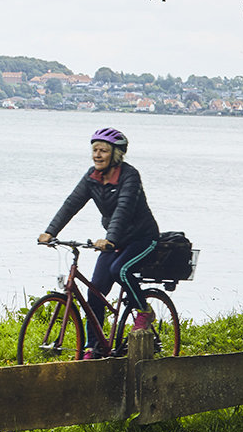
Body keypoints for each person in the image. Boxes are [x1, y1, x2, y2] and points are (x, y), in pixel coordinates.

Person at [37, 127, 161, 359]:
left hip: (143, 238)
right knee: (94, 291)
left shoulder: (129, 176)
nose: (97, 155)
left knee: (120, 270)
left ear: (115, 155)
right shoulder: (91, 177)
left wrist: (110, 239)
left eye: (103, 150)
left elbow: (123, 210)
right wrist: (50, 232)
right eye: (94, 150)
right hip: (114, 240)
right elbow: (71, 204)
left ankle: (144, 311)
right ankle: (93, 347)